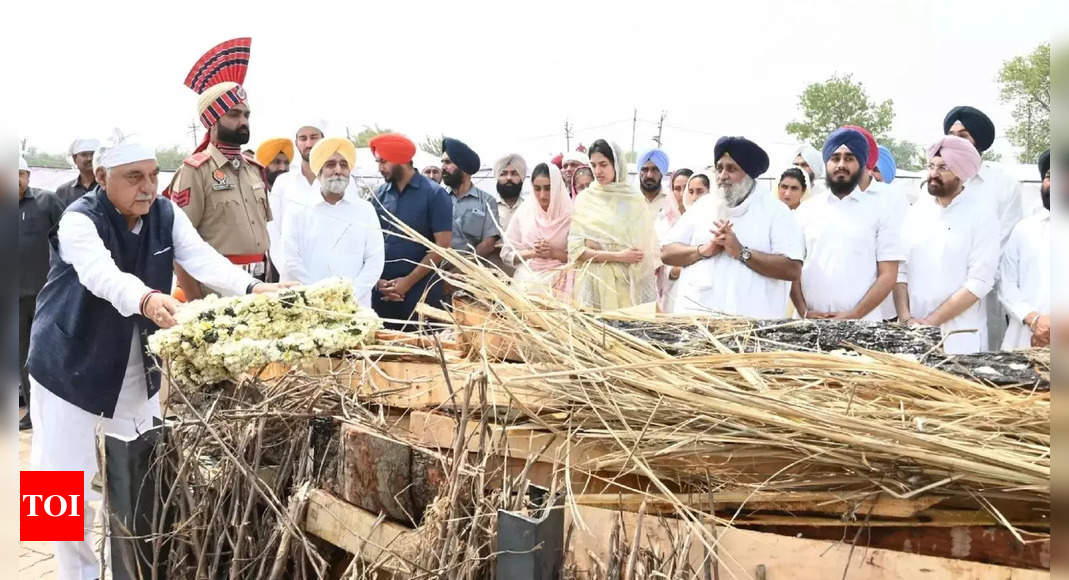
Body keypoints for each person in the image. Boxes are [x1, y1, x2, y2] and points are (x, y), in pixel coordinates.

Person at [27, 133, 290, 580]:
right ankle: (71, 574)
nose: (148, 187)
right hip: (64, 363)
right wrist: (148, 298)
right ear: (103, 177)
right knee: (58, 487)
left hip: (132, 367)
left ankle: (132, 571)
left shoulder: (166, 213)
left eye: (152, 176)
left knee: (139, 477)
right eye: (134, 178)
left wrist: (254, 287)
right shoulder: (78, 219)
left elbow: (201, 257)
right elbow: (100, 275)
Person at [164, 38, 272, 300]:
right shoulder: (195, 171)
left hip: (260, 286)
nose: (243, 121)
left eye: (246, 115)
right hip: (217, 291)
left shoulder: (255, 170)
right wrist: (195, 302)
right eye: (234, 115)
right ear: (213, 120)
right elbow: (179, 244)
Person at [661, 137, 803, 316]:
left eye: (731, 169)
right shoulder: (703, 206)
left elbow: (792, 269)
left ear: (749, 174)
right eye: (719, 168)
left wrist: (742, 252)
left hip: (751, 332)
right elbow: (667, 253)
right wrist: (703, 250)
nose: (722, 176)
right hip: (698, 328)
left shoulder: (776, 212)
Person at [894, 136, 999, 354]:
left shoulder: (982, 214)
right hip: (913, 334)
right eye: (931, 166)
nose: (933, 174)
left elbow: (980, 281)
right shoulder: (916, 212)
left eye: (943, 168)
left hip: (961, 335)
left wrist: (931, 322)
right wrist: (905, 319)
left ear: (961, 172)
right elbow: (900, 272)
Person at [792, 127, 904, 321]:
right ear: (826, 163)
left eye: (849, 158)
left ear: (861, 164)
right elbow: (792, 267)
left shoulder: (882, 208)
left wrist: (854, 315)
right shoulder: (807, 210)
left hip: (863, 325)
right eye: (835, 158)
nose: (841, 164)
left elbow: (888, 274)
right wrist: (803, 311)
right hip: (809, 324)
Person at [943, 105, 1023, 350]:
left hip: (984, 290)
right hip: (937, 288)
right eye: (951, 136)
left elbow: (1004, 241)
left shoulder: (1003, 184)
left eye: (963, 136)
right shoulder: (935, 181)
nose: (954, 142)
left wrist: (972, 283)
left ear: (979, 141)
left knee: (981, 360)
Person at [283, 138, 384, 307]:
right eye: (330, 164)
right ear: (319, 171)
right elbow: (291, 259)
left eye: (344, 165)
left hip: (356, 305)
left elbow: (375, 259)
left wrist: (350, 295)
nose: (338, 170)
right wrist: (318, 295)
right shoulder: (297, 209)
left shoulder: (365, 210)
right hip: (311, 305)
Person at [368, 133, 453, 330]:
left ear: (401, 159)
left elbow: (442, 246)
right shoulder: (379, 195)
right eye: (378, 162)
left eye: (384, 162)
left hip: (421, 294)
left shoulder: (434, 194)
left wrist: (408, 282)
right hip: (383, 295)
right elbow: (370, 242)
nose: (380, 168)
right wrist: (378, 282)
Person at [568, 139, 658, 310]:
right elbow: (576, 250)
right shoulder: (585, 200)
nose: (598, 171)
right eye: (593, 165)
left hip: (624, 286)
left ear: (616, 164)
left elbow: (640, 253)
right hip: (592, 283)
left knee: (619, 333)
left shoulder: (633, 201)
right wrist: (618, 255)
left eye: (603, 164)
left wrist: (596, 248)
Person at [18, 155, 65, 430]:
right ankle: (33, 413)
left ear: (28, 176)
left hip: (47, 294)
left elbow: (66, 240)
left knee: (51, 353)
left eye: (20, 173)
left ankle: (57, 411)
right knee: (21, 355)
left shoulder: (48, 202)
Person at [998, 149, 1050, 350]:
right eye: (1048, 176)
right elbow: (1006, 283)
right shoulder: (1024, 229)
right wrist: (1035, 319)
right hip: (1024, 340)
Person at [501, 162, 573, 297]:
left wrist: (554, 253)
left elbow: (581, 258)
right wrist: (533, 253)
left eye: (548, 188)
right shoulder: (525, 212)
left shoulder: (571, 216)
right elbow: (507, 253)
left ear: (557, 188)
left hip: (563, 287)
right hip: (527, 285)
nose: (542, 195)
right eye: (537, 189)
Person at [442, 137, 500, 259]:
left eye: (448, 162)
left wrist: (460, 268)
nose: (443, 167)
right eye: (442, 162)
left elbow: (488, 244)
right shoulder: (437, 198)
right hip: (438, 271)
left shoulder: (487, 201)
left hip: (473, 272)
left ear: (463, 166)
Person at [655, 168, 693, 312]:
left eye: (687, 188)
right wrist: (676, 270)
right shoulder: (663, 220)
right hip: (671, 287)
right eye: (677, 188)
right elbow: (658, 257)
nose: (682, 193)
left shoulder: (707, 218)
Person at [55, 138, 100, 207]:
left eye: (93, 154)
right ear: (74, 159)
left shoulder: (107, 187)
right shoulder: (63, 191)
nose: (89, 158)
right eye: (84, 154)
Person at [494, 153, 527, 234]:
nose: (509, 178)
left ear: (522, 178)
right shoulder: (488, 207)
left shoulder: (529, 207)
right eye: (503, 174)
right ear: (497, 177)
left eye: (514, 174)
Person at [637, 148, 670, 214]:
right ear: (640, 172)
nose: (649, 175)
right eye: (645, 169)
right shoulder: (629, 197)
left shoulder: (671, 200)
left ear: (662, 173)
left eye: (655, 170)